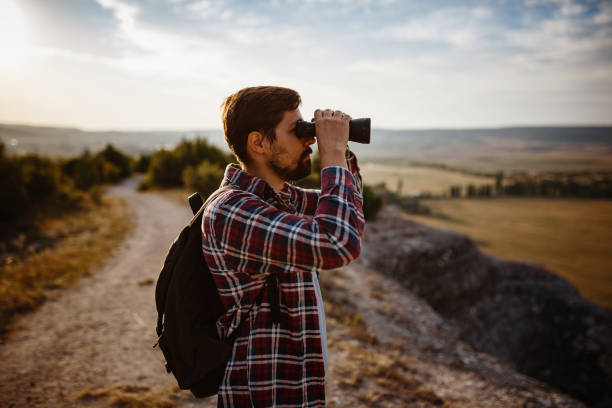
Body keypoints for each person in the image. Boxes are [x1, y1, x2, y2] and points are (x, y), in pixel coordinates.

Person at [202, 86, 365, 407]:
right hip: (263, 394)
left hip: (296, 388)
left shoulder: (280, 200)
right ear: (258, 142)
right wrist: (330, 154)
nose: (309, 140)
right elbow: (337, 242)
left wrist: (340, 149)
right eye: (298, 130)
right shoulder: (233, 210)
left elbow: (349, 212)